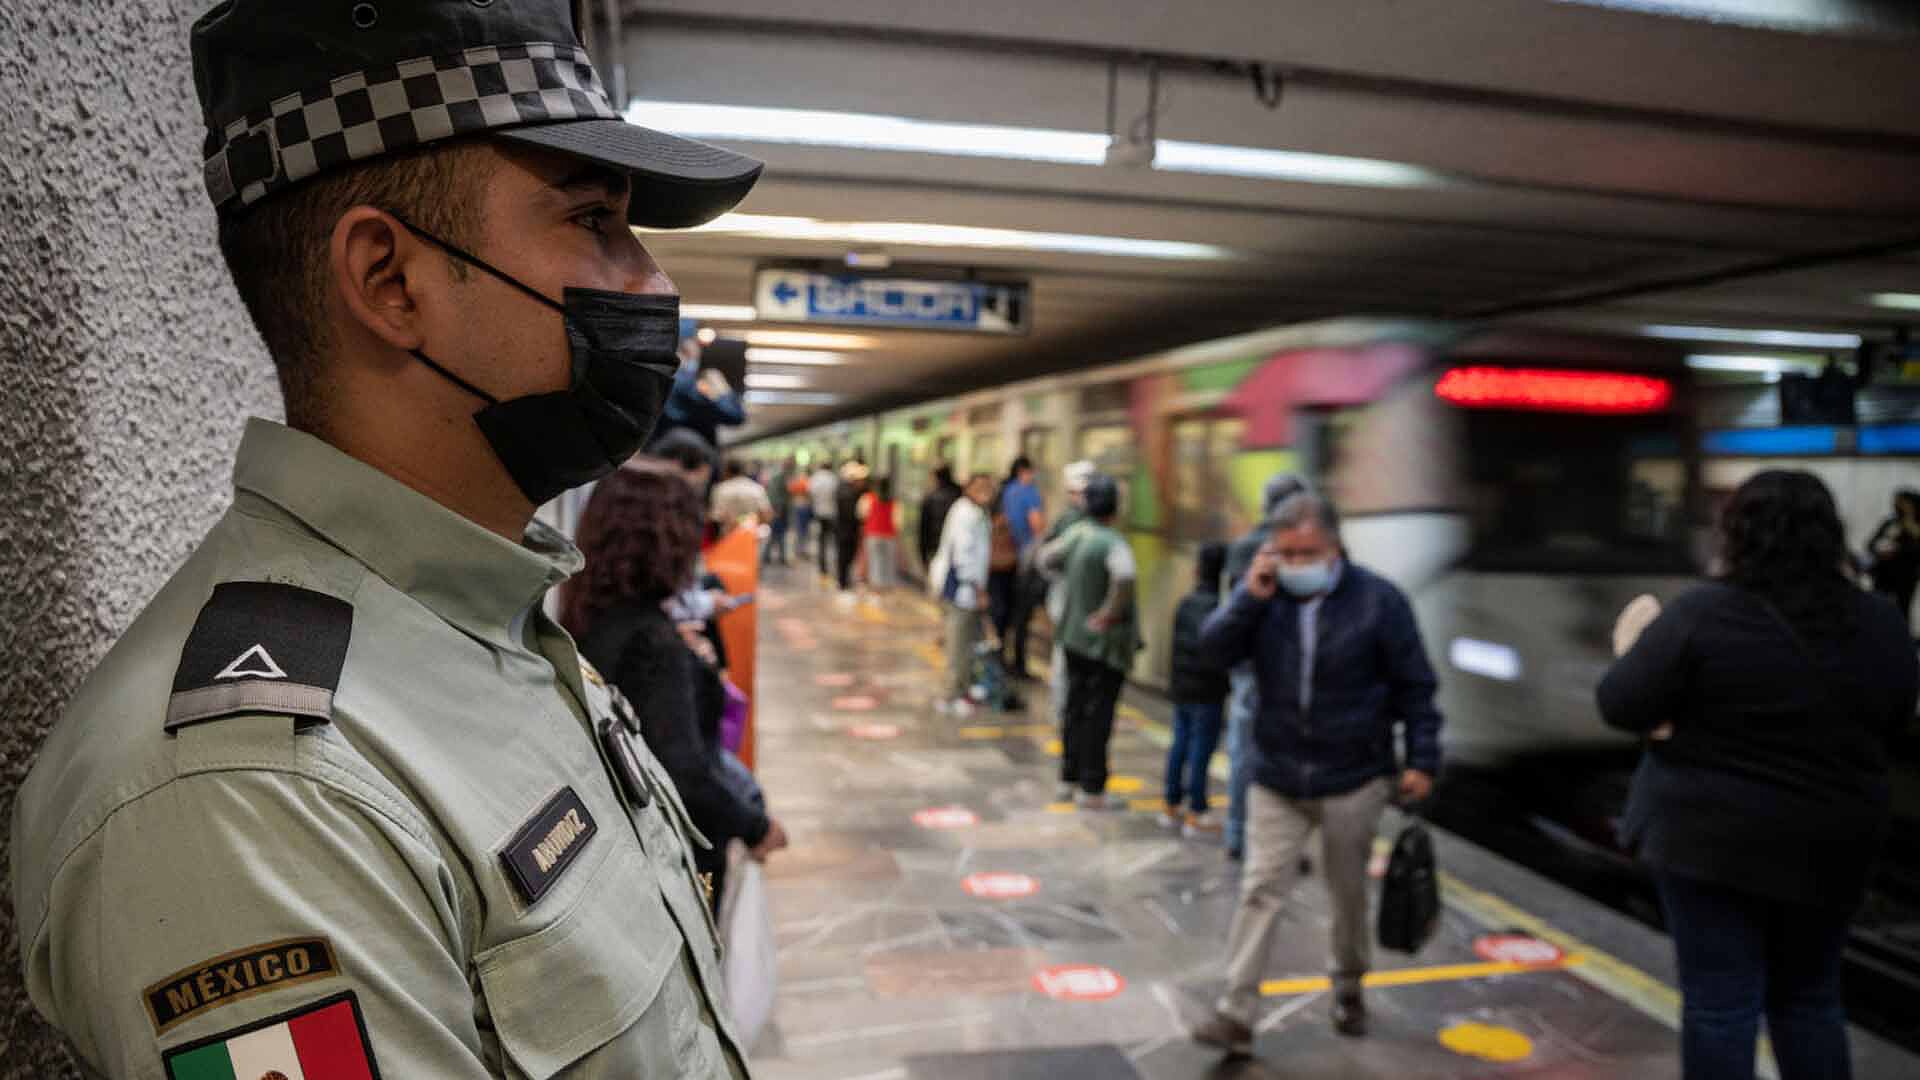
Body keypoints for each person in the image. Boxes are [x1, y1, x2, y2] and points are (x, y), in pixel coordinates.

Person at [8, 3, 767, 1075]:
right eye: (595, 220)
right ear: (389, 281)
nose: (654, 282)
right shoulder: (258, 798)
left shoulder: (481, 623)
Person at [1597, 471, 1917, 1080]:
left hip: (1710, 846)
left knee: (1721, 1005)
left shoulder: (1702, 614)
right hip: (1830, 843)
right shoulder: (1880, 622)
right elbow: (1897, 716)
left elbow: (1619, 704)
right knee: (1810, 999)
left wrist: (1635, 650)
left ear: (1738, 534)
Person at [1191, 493, 1442, 1054]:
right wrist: (1247, 598)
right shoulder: (1265, 598)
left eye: (1306, 554)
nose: (1295, 565)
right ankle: (1236, 1010)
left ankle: (1348, 984)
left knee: (1347, 893)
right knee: (1261, 888)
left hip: (1353, 777)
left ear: (1334, 548)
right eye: (1285, 554)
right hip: (1277, 773)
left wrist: (1422, 759)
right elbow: (1210, 651)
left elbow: (1416, 687)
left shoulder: (1379, 602)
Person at [561, 460, 789, 910]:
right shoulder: (652, 643)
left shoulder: (590, 616)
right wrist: (756, 827)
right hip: (681, 860)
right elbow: (683, 772)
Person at [1220, 473, 1312, 860]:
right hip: (1288, 666)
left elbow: (1230, 611)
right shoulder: (1301, 552)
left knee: (1243, 750)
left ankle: (1238, 833)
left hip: (1247, 664)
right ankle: (1287, 844)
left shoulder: (1243, 548)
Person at [1039, 473, 1138, 809]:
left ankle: (1068, 777)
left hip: (1072, 637)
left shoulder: (1075, 534)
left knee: (1074, 708)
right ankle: (1092, 787)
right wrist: (1109, 613)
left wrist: (1065, 587)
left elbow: (1044, 559)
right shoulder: (1112, 542)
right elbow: (1125, 577)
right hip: (1104, 645)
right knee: (1099, 715)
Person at [1163, 542, 1231, 836]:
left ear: (1197, 570)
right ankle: (1197, 809)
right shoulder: (1221, 608)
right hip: (1207, 691)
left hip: (1182, 688)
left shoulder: (1185, 603)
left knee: (1180, 743)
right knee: (1201, 750)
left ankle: (1171, 803)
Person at [929, 473, 994, 715]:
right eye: (979, 487)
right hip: (961, 590)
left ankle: (964, 690)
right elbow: (963, 556)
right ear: (968, 488)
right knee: (957, 646)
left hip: (968, 589)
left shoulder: (974, 512)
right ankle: (952, 696)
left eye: (988, 487)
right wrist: (979, 589)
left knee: (967, 644)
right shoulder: (966, 514)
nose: (985, 492)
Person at [1042, 460, 1097, 738]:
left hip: (1070, 602)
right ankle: (1065, 712)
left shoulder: (1074, 521)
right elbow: (1047, 560)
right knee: (1066, 660)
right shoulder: (1073, 523)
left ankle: (1067, 712)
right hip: (1068, 601)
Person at [998, 456, 1048, 677]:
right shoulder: (1029, 492)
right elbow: (1036, 524)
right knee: (1022, 617)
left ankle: (1001, 658)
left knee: (1005, 613)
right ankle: (1019, 663)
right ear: (1023, 471)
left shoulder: (1006, 491)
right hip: (1024, 562)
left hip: (1003, 561)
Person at [1867, 488, 1920, 632]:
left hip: (1905, 577)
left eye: (1903, 502)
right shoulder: (1890, 523)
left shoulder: (1915, 526)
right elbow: (1871, 543)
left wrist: (1898, 550)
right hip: (1883, 575)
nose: (1898, 505)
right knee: (1877, 609)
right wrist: (1878, 549)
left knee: (1902, 612)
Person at [919, 464, 964, 574]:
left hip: (937, 548)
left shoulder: (931, 497)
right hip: (957, 548)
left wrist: (923, 555)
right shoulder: (960, 494)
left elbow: (923, 529)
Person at [860, 475, 902, 593]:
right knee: (889, 561)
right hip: (889, 535)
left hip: (872, 534)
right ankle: (887, 585)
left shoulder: (868, 498)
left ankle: (877, 585)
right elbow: (897, 521)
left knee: (875, 561)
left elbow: (862, 515)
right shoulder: (894, 501)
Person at [710, 458, 772, 536]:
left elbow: (716, 517)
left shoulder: (721, 489)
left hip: (728, 536)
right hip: (751, 536)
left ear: (727, 471)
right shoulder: (756, 488)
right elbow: (766, 514)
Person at [835, 460, 870, 592]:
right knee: (845, 556)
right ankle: (843, 582)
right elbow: (852, 515)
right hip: (846, 531)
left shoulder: (849, 491)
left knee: (847, 556)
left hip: (846, 531)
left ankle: (844, 580)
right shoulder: (847, 494)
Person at [810, 458, 839, 577]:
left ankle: (823, 566)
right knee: (832, 540)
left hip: (819, 512)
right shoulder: (833, 478)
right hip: (832, 513)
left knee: (822, 540)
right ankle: (834, 563)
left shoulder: (816, 478)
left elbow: (811, 492)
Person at [763, 457, 794, 565]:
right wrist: (777, 510)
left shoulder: (781, 476)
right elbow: (776, 495)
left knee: (777, 534)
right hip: (778, 510)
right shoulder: (780, 477)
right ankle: (773, 556)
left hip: (779, 510)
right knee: (777, 534)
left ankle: (774, 556)